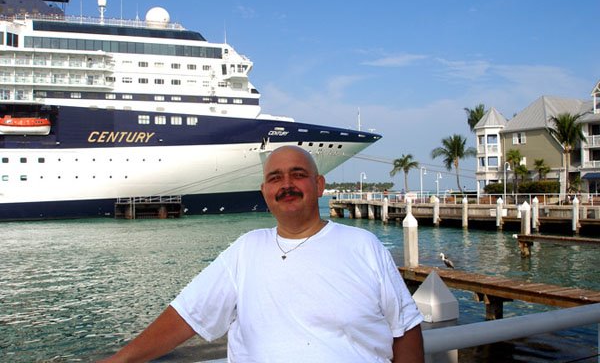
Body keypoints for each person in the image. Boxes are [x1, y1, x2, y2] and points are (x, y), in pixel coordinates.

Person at [99, 145, 424, 362]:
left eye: (298, 174)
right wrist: (120, 360)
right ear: (265, 191)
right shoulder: (246, 249)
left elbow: (405, 328)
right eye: (275, 178)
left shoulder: (364, 247)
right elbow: (188, 315)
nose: (287, 184)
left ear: (319, 185)